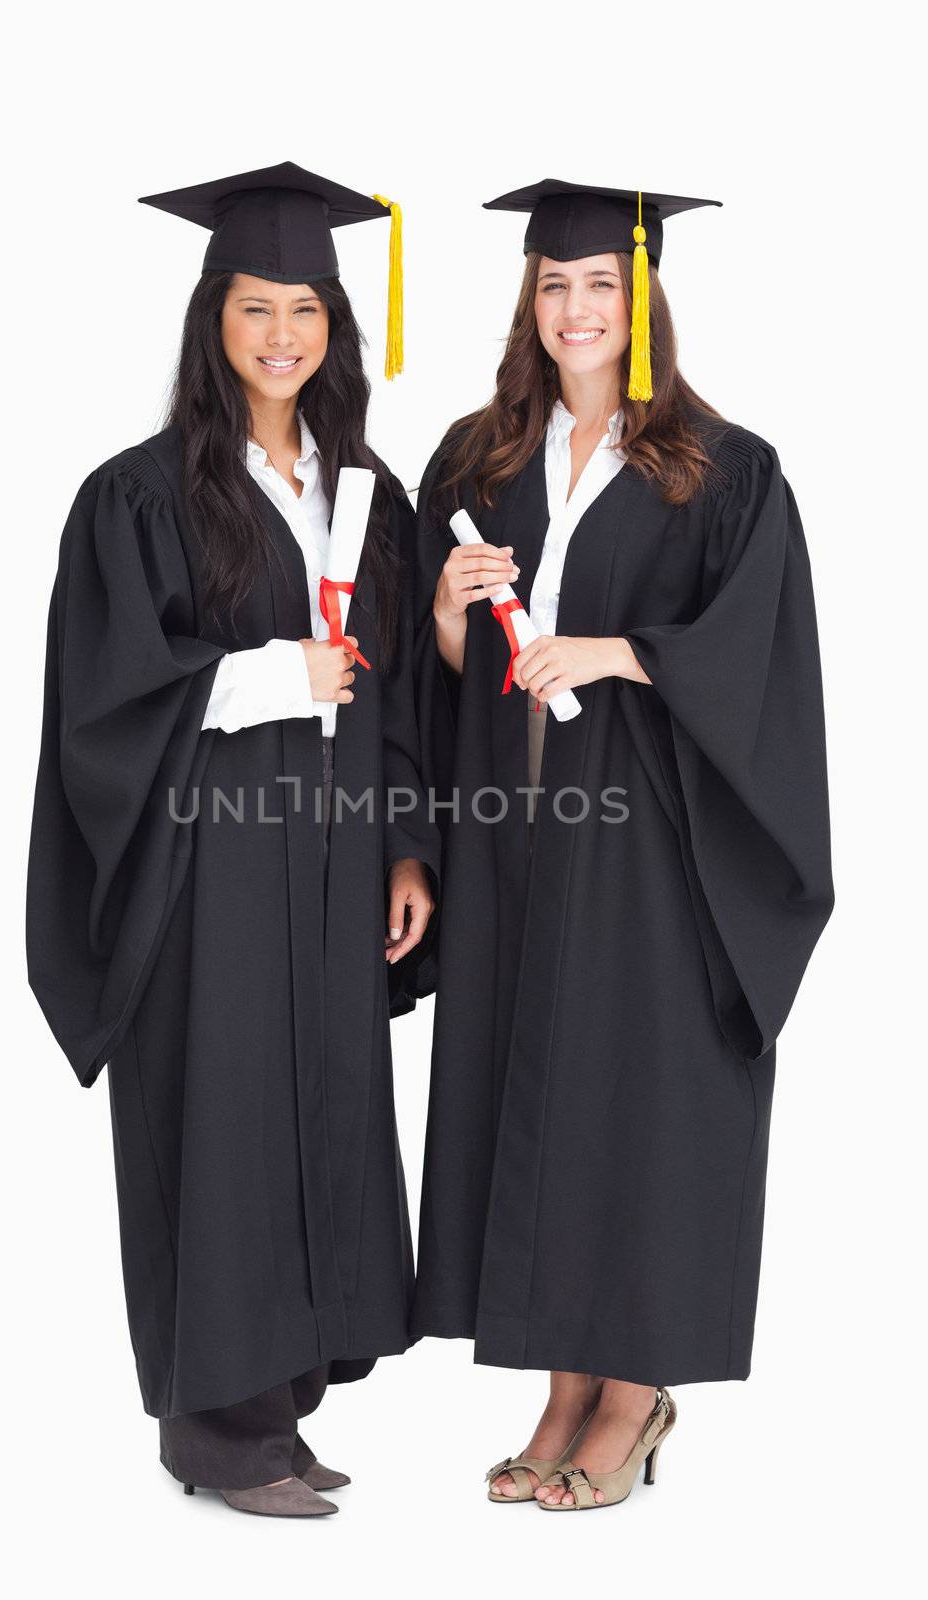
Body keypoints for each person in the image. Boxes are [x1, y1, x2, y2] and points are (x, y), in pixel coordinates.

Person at [409, 179, 833, 1511]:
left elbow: (760, 657)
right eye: (554, 285)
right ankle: (562, 1377)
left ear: (641, 298)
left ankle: (634, 1388)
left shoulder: (722, 466)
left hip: (653, 841)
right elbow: (435, 679)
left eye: (601, 284)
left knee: (634, 1097)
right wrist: (443, 607)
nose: (577, 309)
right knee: (545, 1091)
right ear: (527, 303)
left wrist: (626, 652)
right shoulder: (476, 460)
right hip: (517, 836)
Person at [26, 162, 438, 1518]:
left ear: (335, 325)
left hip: (329, 868)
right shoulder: (139, 494)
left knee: (317, 1105)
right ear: (214, 321)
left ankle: (280, 1407)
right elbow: (107, 697)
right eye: (255, 306)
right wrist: (264, 675)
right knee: (220, 1121)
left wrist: (403, 849)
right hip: (206, 869)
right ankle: (214, 1433)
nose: (281, 333)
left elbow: (398, 691)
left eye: (304, 307)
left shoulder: (365, 489)